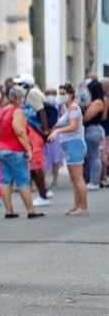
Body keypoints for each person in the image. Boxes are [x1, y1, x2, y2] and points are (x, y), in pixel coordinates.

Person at [0, 86, 44, 219]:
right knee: (23, 181)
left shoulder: (3, 110)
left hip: (1, 149)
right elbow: (20, 131)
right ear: (19, 98)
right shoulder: (17, 111)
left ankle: (9, 211)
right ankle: (31, 210)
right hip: (14, 150)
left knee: (5, 180)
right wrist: (28, 149)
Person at [48, 83, 89, 216]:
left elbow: (73, 126)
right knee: (74, 178)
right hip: (70, 145)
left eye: (63, 93)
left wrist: (57, 131)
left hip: (75, 145)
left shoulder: (73, 108)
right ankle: (77, 205)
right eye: (59, 93)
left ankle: (83, 207)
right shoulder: (67, 109)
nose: (60, 96)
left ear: (70, 95)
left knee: (78, 178)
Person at [14, 74, 51, 206]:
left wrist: (46, 130)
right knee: (34, 166)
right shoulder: (29, 94)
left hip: (36, 132)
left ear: (26, 85)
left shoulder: (32, 94)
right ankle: (44, 192)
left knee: (35, 166)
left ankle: (43, 196)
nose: (17, 87)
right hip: (33, 132)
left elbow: (41, 112)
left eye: (19, 84)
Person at [82, 80, 106, 190]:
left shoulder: (97, 102)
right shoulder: (96, 101)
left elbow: (86, 117)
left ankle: (94, 181)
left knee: (94, 156)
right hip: (92, 130)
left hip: (93, 130)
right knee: (91, 156)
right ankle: (92, 179)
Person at [43, 88, 64, 188]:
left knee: (56, 158)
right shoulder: (42, 105)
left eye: (52, 93)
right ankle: (44, 179)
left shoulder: (60, 105)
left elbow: (65, 118)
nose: (50, 96)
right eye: (48, 93)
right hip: (45, 134)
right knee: (44, 157)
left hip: (56, 135)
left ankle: (55, 179)